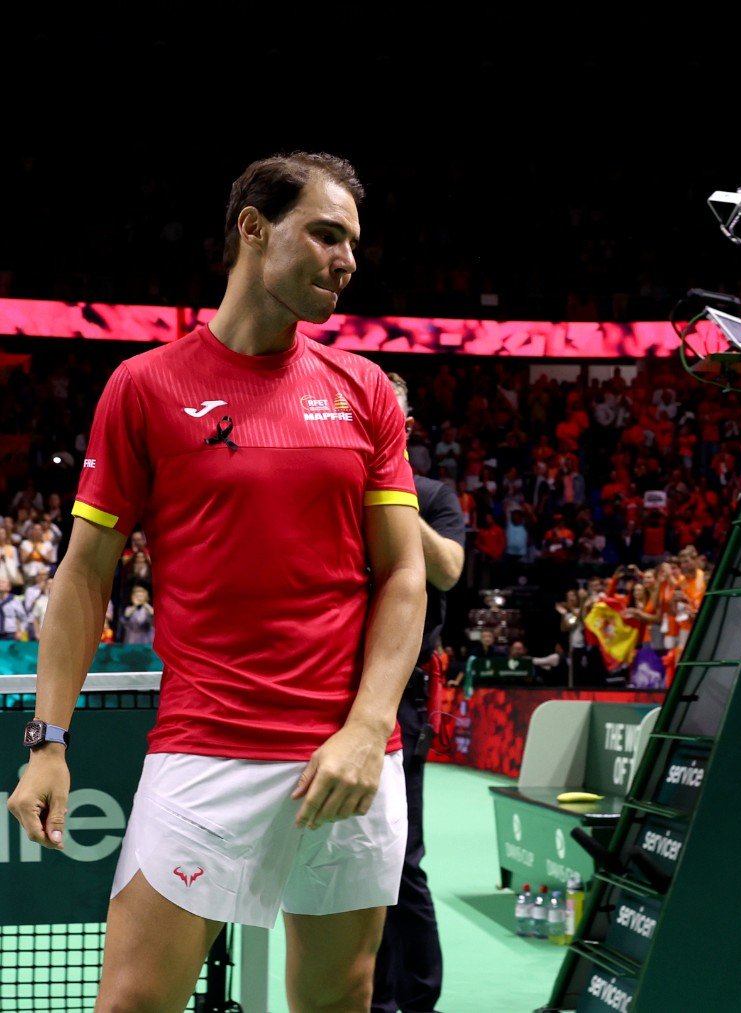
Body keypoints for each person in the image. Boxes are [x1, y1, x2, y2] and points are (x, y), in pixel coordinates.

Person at [5, 151, 426, 1011]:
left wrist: (366, 727)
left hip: (346, 758)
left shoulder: (365, 392)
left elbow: (404, 574)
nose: (347, 260)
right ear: (252, 228)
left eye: (354, 243)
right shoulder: (144, 388)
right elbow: (84, 577)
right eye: (326, 233)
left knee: (337, 1000)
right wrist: (48, 741)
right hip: (205, 747)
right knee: (131, 1001)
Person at [372, 373, 467, 1013]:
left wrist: (394, 495)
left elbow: (449, 570)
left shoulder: (432, 495)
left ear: (404, 427)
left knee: (399, 861)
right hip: (328, 690)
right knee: (349, 861)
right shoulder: (338, 488)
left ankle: (415, 1002)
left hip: (402, 699)